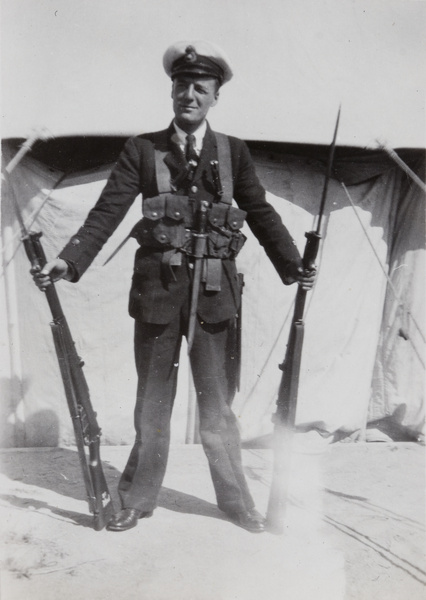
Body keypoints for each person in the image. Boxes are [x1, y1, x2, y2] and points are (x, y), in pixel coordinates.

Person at [33, 40, 316, 533]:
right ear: (172, 91)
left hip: (215, 296)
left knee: (217, 407)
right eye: (181, 86)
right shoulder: (142, 149)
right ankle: (137, 499)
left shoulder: (233, 152)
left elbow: (262, 211)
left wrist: (293, 265)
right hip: (158, 294)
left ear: (214, 97)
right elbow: (108, 210)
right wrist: (68, 259)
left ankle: (234, 501)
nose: (189, 95)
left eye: (199, 88)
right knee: (152, 403)